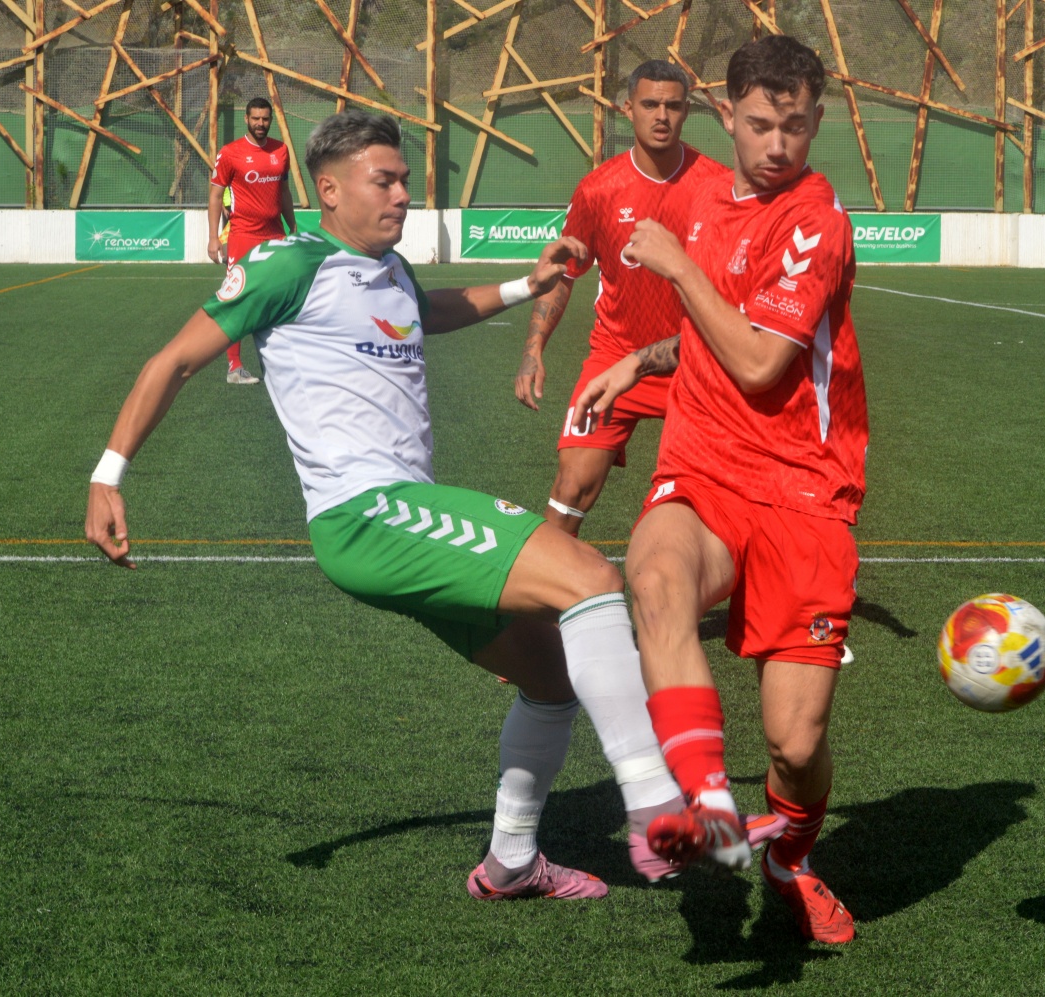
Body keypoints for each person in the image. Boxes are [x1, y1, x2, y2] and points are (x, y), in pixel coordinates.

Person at [86, 109, 781, 900]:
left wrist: (530, 282)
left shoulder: (389, 270)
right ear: (329, 188)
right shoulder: (286, 263)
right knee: (589, 576)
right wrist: (109, 474)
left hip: (399, 518)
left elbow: (428, 311)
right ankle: (660, 812)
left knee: (551, 677)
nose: (402, 194)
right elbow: (174, 360)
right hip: (367, 514)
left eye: (406, 180)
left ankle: (511, 861)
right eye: (383, 180)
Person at [572, 36, 866, 944]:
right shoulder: (698, 194)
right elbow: (705, 336)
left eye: (796, 126)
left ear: (818, 122)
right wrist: (637, 358)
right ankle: (698, 802)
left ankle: (788, 858)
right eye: (760, 124)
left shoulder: (816, 221)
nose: (778, 145)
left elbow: (758, 357)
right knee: (651, 577)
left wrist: (675, 269)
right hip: (702, 469)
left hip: (805, 492)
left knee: (795, 744)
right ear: (728, 115)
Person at [513, 61, 727, 535]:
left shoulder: (718, 187)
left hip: (695, 358)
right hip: (615, 356)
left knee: (713, 495)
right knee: (571, 487)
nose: (661, 116)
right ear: (627, 108)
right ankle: (544, 602)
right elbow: (564, 275)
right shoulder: (598, 189)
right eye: (650, 104)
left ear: (686, 110)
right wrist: (533, 351)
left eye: (673, 105)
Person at [208, 97, 298, 384]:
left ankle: (285, 363)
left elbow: (283, 193)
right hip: (243, 235)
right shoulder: (230, 153)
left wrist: (292, 225)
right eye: (256, 118)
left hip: (275, 234)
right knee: (238, 299)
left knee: (283, 297)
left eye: (265, 119)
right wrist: (213, 238)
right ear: (246, 119)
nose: (261, 124)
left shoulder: (281, 151)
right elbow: (214, 196)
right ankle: (234, 367)